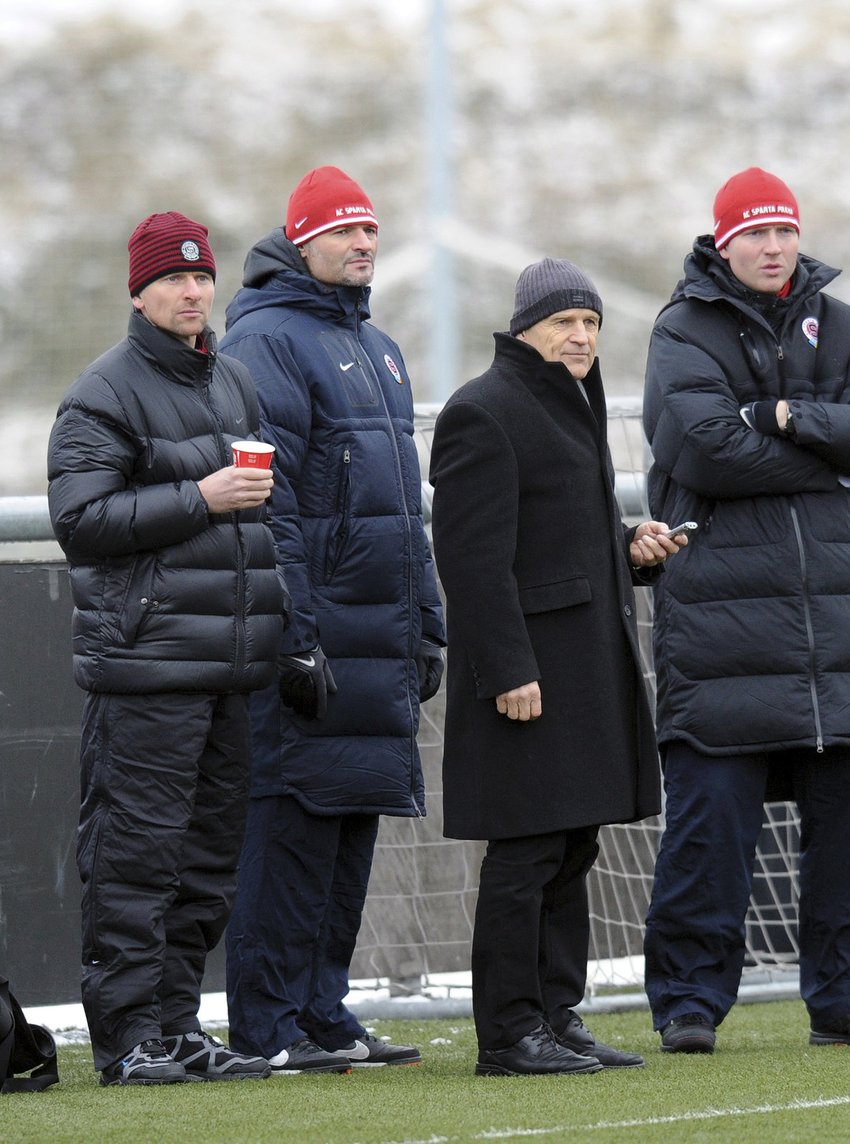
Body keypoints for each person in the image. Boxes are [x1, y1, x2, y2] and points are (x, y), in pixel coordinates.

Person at [641, 167, 850, 1052]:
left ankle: (846, 999)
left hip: (838, 630)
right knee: (709, 832)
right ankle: (688, 1003)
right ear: (722, 243)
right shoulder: (680, 330)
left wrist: (786, 412)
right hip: (722, 626)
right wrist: (831, 452)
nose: (771, 247)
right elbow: (708, 451)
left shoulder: (842, 324)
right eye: (753, 234)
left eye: (783, 233)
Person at [428, 258, 687, 1077]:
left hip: (581, 669)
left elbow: (558, 538)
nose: (580, 337)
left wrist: (628, 551)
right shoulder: (482, 410)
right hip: (527, 675)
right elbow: (470, 559)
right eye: (564, 323)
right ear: (524, 329)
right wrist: (507, 667)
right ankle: (507, 1033)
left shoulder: (571, 404)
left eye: (591, 324)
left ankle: (554, 1013)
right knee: (527, 851)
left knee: (574, 845)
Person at [46, 212, 285, 1085]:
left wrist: (281, 627)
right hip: (146, 665)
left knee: (207, 861)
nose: (192, 292)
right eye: (173, 280)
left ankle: (179, 1026)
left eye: (202, 278)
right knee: (135, 859)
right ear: (138, 293)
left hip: (228, 664)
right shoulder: (101, 392)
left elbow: (265, 523)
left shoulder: (235, 383)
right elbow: (81, 523)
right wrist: (202, 494)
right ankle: (125, 1041)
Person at [218, 165, 445, 1074]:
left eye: (371, 232)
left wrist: (428, 617)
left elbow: (406, 503)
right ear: (301, 241)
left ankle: (323, 1009)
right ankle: (267, 1022)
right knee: (290, 828)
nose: (362, 244)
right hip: (316, 629)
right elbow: (271, 502)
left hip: (379, 630)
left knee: (353, 822)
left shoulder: (380, 346)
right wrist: (294, 631)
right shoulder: (269, 340)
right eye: (344, 232)